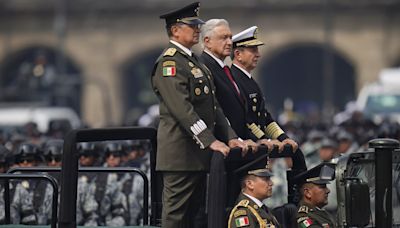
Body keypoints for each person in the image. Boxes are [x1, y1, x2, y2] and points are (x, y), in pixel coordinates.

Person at [151, 2, 247, 227]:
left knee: (195, 216)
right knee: (176, 216)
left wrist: (231, 136)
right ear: (175, 30)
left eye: (198, 25)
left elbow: (214, 108)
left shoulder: (194, 62)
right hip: (181, 155)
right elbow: (182, 110)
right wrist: (210, 140)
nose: (197, 29)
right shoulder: (170, 63)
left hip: (198, 154)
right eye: (191, 25)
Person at [231, 26, 298, 151]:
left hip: (257, 145)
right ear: (238, 54)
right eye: (253, 50)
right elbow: (244, 119)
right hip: (246, 147)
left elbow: (264, 116)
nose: (258, 54)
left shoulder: (249, 80)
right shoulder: (233, 80)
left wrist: (283, 137)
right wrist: (263, 139)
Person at [294, 163, 337, 228]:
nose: (328, 191)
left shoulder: (319, 213)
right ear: (308, 193)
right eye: (322, 187)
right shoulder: (305, 217)